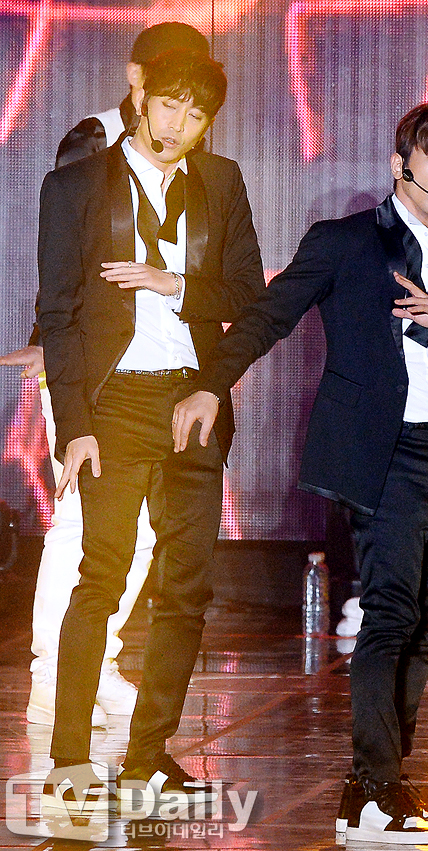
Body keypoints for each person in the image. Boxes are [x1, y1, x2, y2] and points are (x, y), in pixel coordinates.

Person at [173, 100, 428, 844]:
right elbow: (268, 316)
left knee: (425, 627)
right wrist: (209, 384)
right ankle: (374, 795)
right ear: (400, 164)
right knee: (389, 617)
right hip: (383, 456)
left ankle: (376, 792)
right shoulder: (348, 242)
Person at [38, 47, 264, 812]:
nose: (179, 125)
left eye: (197, 115)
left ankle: (146, 758)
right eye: (170, 105)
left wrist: (174, 284)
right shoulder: (75, 186)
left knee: (186, 586)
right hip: (113, 405)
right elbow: (58, 315)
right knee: (101, 575)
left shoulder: (220, 181)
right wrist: (74, 426)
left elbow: (247, 293)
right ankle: (69, 757)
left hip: (191, 399)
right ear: (140, 99)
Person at [0, 22, 210, 728]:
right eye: (169, 85)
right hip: (90, 374)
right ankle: (54, 678)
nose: (181, 110)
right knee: (83, 524)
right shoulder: (95, 142)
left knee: (138, 531)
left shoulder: (193, 159)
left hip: (157, 375)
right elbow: (66, 265)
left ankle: (97, 665)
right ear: (137, 78)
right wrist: (51, 348)